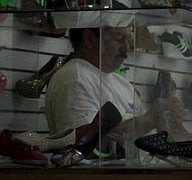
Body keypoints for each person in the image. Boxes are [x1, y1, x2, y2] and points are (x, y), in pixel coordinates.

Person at [44, 24, 182, 164]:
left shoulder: (122, 83)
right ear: (90, 39)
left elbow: (139, 142)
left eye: (128, 39)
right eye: (119, 38)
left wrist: (163, 128)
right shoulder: (75, 78)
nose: (127, 47)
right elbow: (81, 147)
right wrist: (150, 119)